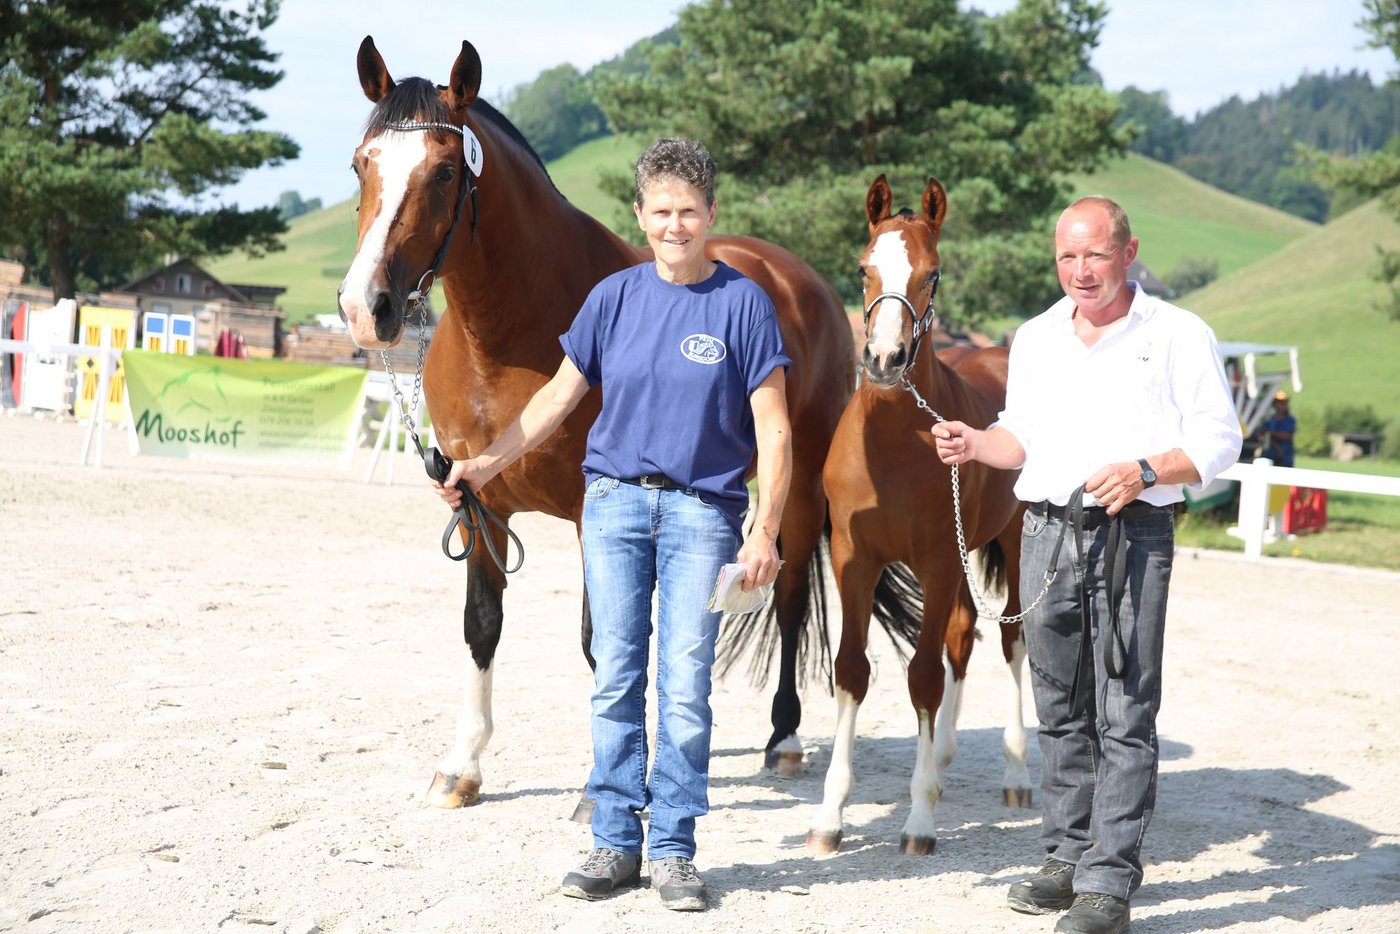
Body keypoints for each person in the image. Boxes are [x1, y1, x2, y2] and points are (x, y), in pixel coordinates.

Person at [431, 137, 791, 912]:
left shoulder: (743, 304)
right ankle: (616, 842)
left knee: (685, 687)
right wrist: (483, 467)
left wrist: (766, 529)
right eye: (660, 211)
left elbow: (776, 428)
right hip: (615, 507)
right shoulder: (612, 298)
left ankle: (674, 850)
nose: (674, 226)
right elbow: (556, 400)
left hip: (705, 511)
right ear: (641, 214)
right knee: (617, 678)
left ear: (711, 215)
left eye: (689, 212)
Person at [932, 196, 1241, 934]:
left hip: (1135, 533)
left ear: (1128, 252)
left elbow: (1219, 441)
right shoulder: (1036, 336)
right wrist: (976, 444)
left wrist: (1146, 468)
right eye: (1068, 256)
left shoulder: (1177, 334)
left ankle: (1108, 883)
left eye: (1096, 255)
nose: (1081, 271)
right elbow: (1022, 436)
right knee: (1058, 708)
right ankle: (1066, 856)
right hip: (1044, 531)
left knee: (1125, 708)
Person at [1261, 389, 1296, 467]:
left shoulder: (1290, 420)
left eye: (1285, 402)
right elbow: (1263, 434)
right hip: (1269, 457)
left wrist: (1272, 433)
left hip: (1285, 458)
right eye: (1280, 402)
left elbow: (1287, 435)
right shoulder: (1269, 419)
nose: (1283, 405)